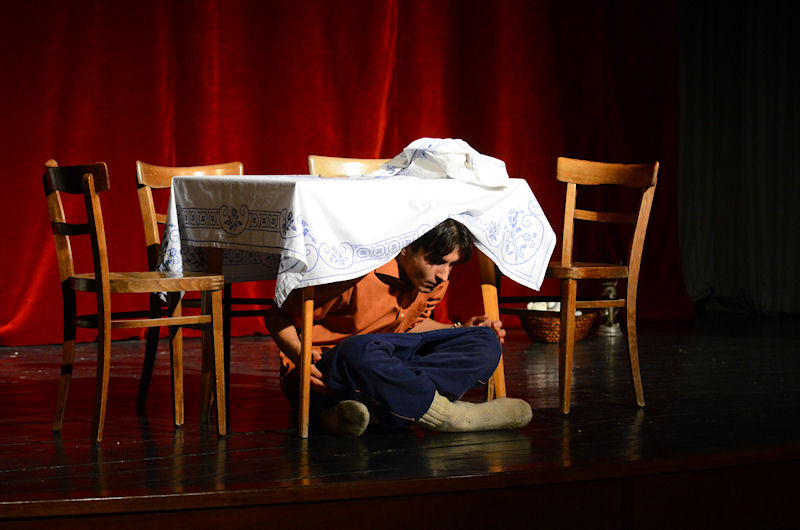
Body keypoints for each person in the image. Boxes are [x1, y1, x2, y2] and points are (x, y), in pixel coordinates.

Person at [265, 219, 532, 436]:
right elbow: (277, 316)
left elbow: (412, 327)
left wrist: (458, 329)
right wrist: (301, 358)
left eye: (451, 264)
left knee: (484, 340)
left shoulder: (432, 283)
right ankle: (450, 416)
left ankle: (371, 411)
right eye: (436, 261)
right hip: (328, 372)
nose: (444, 275)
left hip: (385, 366)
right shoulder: (355, 276)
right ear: (406, 247)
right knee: (358, 350)